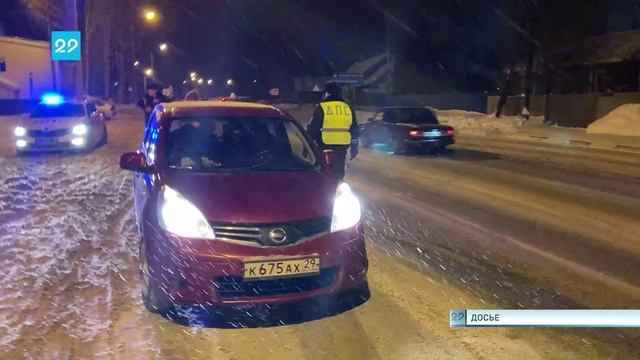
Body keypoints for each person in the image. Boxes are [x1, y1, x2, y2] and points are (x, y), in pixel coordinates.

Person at [306, 81, 359, 181]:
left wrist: (307, 145)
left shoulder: (322, 107)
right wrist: (354, 147)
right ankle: (337, 188)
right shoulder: (347, 108)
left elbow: (313, 128)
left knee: (323, 171)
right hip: (342, 146)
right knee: (339, 171)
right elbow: (354, 128)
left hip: (325, 145)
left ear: (327, 93)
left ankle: (325, 189)